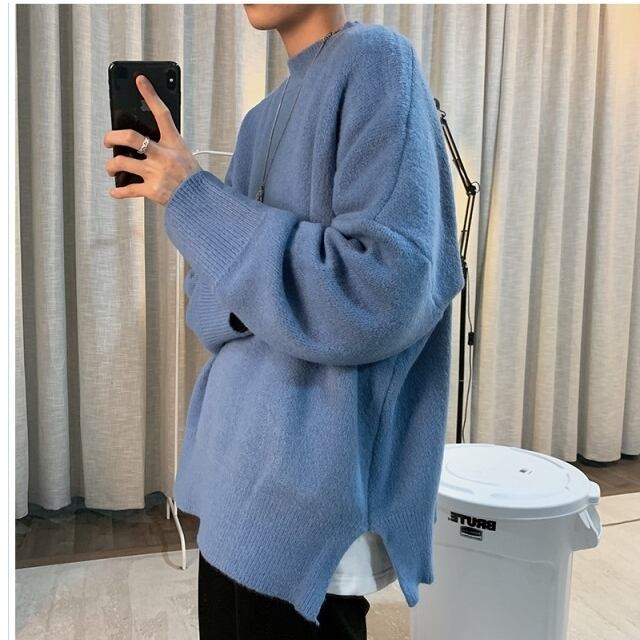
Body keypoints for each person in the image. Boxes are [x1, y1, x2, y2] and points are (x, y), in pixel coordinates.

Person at [103, 4, 464, 639]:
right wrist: (257, 288)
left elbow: (380, 292)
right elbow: (206, 303)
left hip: (306, 496)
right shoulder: (259, 120)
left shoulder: (377, 63)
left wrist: (195, 198)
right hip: (233, 475)